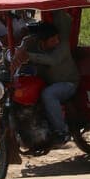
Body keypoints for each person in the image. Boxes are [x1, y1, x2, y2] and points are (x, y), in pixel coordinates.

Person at [12, 12, 78, 144]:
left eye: (57, 38)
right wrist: (16, 54)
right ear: (42, 41)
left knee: (49, 94)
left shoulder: (62, 45)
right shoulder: (34, 45)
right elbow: (21, 49)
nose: (57, 41)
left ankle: (62, 131)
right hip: (44, 82)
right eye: (53, 39)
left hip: (67, 83)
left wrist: (29, 56)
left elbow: (52, 60)